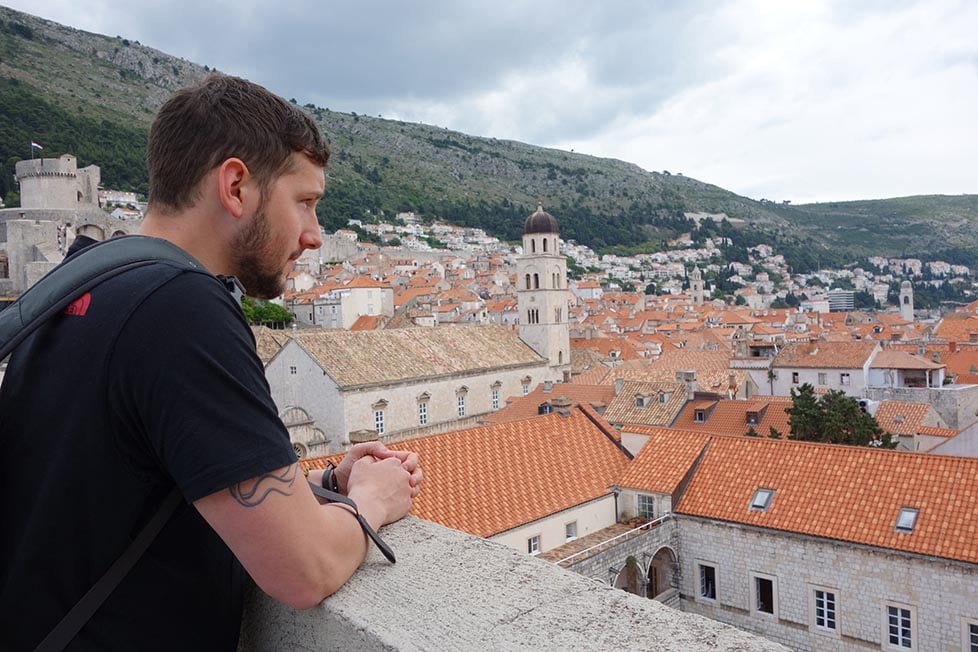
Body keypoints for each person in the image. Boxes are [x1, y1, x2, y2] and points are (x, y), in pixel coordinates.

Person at [0, 74, 422, 651]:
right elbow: (304, 571)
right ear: (236, 186)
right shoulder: (181, 309)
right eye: (304, 202)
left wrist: (322, 484)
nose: (315, 235)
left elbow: (130, 481)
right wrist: (375, 498)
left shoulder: (81, 280)